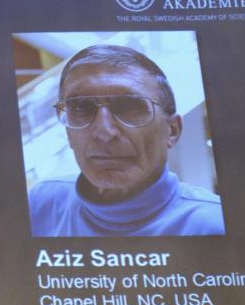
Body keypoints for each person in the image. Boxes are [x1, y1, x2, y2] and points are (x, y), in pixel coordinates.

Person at [28, 44, 224, 237]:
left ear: (171, 131)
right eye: (81, 108)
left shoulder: (216, 224)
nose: (104, 132)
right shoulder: (42, 204)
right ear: (68, 133)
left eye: (130, 106)